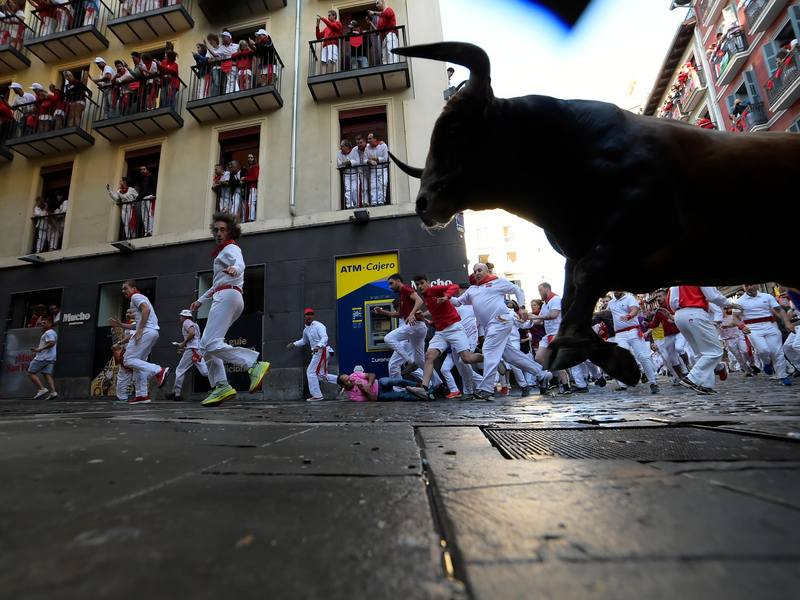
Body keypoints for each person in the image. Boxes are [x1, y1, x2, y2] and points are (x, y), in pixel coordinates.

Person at [189, 212, 271, 406]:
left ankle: (253, 365)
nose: (218, 233)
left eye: (222, 230)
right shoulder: (222, 252)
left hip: (227, 297)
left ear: (231, 232)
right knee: (207, 345)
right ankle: (221, 385)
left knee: (209, 344)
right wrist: (201, 300)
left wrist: (236, 268)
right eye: (216, 230)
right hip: (228, 295)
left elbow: (239, 263)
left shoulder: (230, 249)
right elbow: (218, 282)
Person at [451, 263, 543, 400]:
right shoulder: (473, 289)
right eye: (475, 271)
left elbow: (517, 290)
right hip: (490, 326)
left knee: (488, 350)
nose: (477, 273)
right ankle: (541, 374)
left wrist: (522, 307)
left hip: (500, 320)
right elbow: (458, 302)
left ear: (487, 271)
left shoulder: (497, 281)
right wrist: (445, 297)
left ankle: (487, 389)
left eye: (480, 270)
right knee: (510, 356)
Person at [405, 275, 483, 401]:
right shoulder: (426, 298)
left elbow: (454, 286)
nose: (419, 286)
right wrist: (424, 314)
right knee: (429, 356)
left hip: (454, 329)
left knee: (467, 359)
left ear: (428, 283)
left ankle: (488, 357)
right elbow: (435, 309)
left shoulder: (435, 290)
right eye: (417, 284)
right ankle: (424, 389)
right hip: (441, 332)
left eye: (421, 283)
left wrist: (447, 297)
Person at [668, 286, 743, 394]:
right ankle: (692, 378)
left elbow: (672, 303)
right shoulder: (700, 276)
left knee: (700, 353)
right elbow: (712, 295)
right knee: (715, 351)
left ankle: (706, 385)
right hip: (695, 312)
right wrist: (729, 303)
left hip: (679, 316)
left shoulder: (675, 283)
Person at [108, 280, 170, 404]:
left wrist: (140, 329)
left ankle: (159, 370)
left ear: (133, 288)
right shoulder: (139, 298)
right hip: (152, 332)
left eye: (125, 288)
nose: (123, 291)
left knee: (128, 360)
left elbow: (146, 310)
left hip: (146, 331)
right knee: (137, 364)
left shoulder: (136, 296)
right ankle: (142, 395)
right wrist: (121, 325)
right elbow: (137, 324)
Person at [595, 291, 660, 394]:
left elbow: (634, 310)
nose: (616, 292)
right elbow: (605, 313)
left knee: (642, 356)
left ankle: (653, 382)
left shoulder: (630, 299)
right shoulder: (612, 303)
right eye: (614, 290)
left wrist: (629, 316)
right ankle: (622, 384)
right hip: (620, 334)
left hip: (633, 331)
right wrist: (592, 313)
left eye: (618, 289)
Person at [737, 284, 796, 386]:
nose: (749, 288)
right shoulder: (740, 301)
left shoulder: (767, 296)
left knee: (777, 351)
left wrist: (787, 322)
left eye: (751, 285)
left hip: (770, 325)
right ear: (743, 287)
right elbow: (735, 317)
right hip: (753, 328)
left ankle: (783, 376)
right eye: (746, 286)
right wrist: (741, 326)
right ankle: (766, 362)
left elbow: (778, 309)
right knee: (762, 350)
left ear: (757, 285)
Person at [374, 273, 426, 378]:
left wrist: (412, 314)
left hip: (411, 331)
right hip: (414, 331)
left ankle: (409, 364)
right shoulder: (402, 296)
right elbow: (399, 315)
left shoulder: (406, 289)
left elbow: (419, 300)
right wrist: (382, 311)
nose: (390, 287)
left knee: (389, 340)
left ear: (398, 281)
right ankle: (436, 384)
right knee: (420, 362)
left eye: (391, 283)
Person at [287, 308, 339, 401]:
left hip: (321, 351)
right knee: (320, 375)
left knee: (311, 372)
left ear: (313, 315)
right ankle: (342, 382)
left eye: (311, 314)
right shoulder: (306, 329)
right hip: (318, 352)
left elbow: (324, 337)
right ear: (305, 316)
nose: (309, 316)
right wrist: (294, 344)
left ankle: (317, 395)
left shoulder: (319, 325)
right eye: (307, 314)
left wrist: (318, 346)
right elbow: (304, 340)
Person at [530, 282, 571, 394]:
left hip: (557, 333)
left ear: (547, 290)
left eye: (540, 290)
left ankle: (566, 386)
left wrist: (536, 316)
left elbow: (553, 315)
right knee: (538, 357)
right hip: (548, 335)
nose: (540, 293)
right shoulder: (544, 305)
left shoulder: (556, 300)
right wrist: (528, 319)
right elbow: (539, 321)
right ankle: (553, 376)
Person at [165, 309, 210, 401]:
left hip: (193, 349)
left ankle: (176, 394)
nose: (180, 318)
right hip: (196, 349)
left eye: (181, 316)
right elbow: (195, 338)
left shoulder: (186, 322)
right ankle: (219, 382)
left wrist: (183, 343)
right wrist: (185, 349)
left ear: (184, 317)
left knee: (180, 369)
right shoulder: (195, 324)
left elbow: (192, 333)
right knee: (204, 370)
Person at [28, 315, 58, 400]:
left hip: (43, 357)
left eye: (44, 322)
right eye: (42, 322)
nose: (42, 324)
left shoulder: (48, 333)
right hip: (51, 357)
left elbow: (52, 343)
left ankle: (42, 389)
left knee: (31, 373)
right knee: (46, 373)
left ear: (50, 323)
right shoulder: (52, 332)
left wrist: (40, 349)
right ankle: (53, 392)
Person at [337, 371, 422, 402]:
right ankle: (420, 397)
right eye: (347, 381)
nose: (351, 380)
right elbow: (373, 399)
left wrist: (369, 384)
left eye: (349, 378)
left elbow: (372, 375)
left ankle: (417, 385)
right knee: (400, 395)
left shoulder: (354, 376)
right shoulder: (353, 397)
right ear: (343, 386)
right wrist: (362, 389)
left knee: (394, 381)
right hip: (380, 395)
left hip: (379, 383)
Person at [368, 0, 398, 65]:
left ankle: (392, 67)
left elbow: (386, 14)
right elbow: (377, 31)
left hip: (390, 34)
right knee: (384, 57)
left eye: (377, 3)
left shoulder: (389, 10)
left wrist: (374, 13)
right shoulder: (381, 19)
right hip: (384, 38)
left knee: (390, 53)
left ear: (383, 2)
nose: (376, 5)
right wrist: (370, 23)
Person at [365, 132, 389, 206]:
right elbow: (364, 159)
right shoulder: (367, 148)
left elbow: (386, 158)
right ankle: (374, 202)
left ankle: (381, 201)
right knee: (373, 186)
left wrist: (376, 159)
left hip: (382, 168)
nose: (368, 140)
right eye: (368, 138)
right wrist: (370, 161)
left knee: (382, 184)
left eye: (370, 138)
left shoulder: (383, 146)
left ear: (375, 139)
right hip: (373, 169)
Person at [338, 138, 363, 208]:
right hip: (346, 175)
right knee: (348, 190)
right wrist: (344, 163)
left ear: (347, 146)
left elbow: (358, 161)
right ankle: (349, 205)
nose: (341, 148)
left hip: (355, 174)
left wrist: (350, 162)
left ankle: (356, 204)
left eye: (342, 146)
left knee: (355, 190)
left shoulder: (354, 150)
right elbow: (339, 163)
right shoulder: (340, 153)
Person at [316, 10, 342, 74]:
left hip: (333, 44)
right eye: (328, 16)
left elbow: (332, 26)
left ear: (334, 16)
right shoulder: (326, 28)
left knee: (333, 60)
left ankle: (334, 73)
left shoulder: (338, 24)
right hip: (325, 45)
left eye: (329, 15)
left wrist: (322, 18)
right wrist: (317, 26)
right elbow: (318, 37)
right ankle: (323, 75)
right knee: (324, 62)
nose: (328, 17)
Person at [137, 165, 156, 237]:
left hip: (150, 196)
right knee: (144, 216)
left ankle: (150, 231)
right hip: (143, 198)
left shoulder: (152, 177)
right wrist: (137, 199)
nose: (142, 171)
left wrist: (154, 195)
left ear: (147, 170)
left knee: (150, 214)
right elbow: (141, 191)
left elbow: (155, 186)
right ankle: (146, 231)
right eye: (141, 169)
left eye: (144, 169)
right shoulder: (142, 180)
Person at [239, 153, 259, 222]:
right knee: (249, 203)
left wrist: (245, 178)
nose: (250, 159)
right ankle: (249, 217)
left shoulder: (256, 166)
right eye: (248, 158)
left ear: (254, 159)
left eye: (251, 157)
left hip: (253, 187)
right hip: (250, 187)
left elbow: (255, 178)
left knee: (252, 202)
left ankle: (251, 218)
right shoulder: (249, 168)